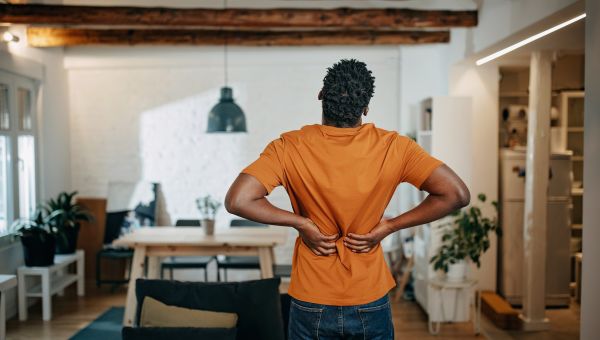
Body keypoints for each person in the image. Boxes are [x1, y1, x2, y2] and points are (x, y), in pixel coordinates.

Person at [225, 59, 470, 340]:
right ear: (365, 107)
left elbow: (238, 200)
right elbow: (457, 194)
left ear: (321, 95)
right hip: (369, 296)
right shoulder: (395, 147)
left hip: (311, 296)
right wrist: (389, 226)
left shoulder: (288, 147)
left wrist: (301, 223)